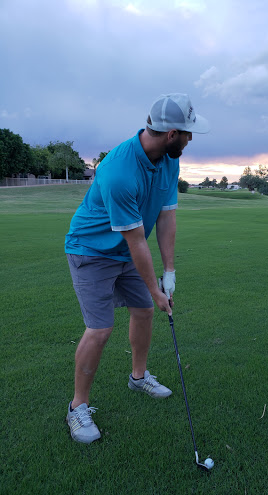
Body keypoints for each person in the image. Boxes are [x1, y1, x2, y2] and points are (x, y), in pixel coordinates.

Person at [64, 93, 209, 444]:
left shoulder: (169, 161)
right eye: (188, 134)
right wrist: (157, 291)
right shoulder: (119, 171)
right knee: (99, 330)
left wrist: (169, 273)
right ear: (171, 133)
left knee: (143, 311)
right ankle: (77, 408)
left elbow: (166, 216)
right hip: (92, 251)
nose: (190, 140)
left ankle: (138, 377)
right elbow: (136, 242)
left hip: (126, 251)